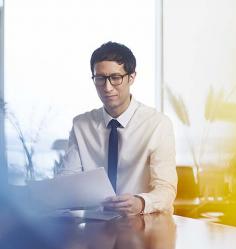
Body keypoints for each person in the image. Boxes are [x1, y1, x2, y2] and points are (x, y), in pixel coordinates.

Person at [59, 41, 177, 215]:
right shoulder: (81, 125)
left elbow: (166, 189)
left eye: (115, 78)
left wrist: (141, 203)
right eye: (100, 78)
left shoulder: (158, 124)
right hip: (96, 226)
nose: (107, 88)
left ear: (131, 77)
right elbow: (67, 181)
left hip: (144, 224)